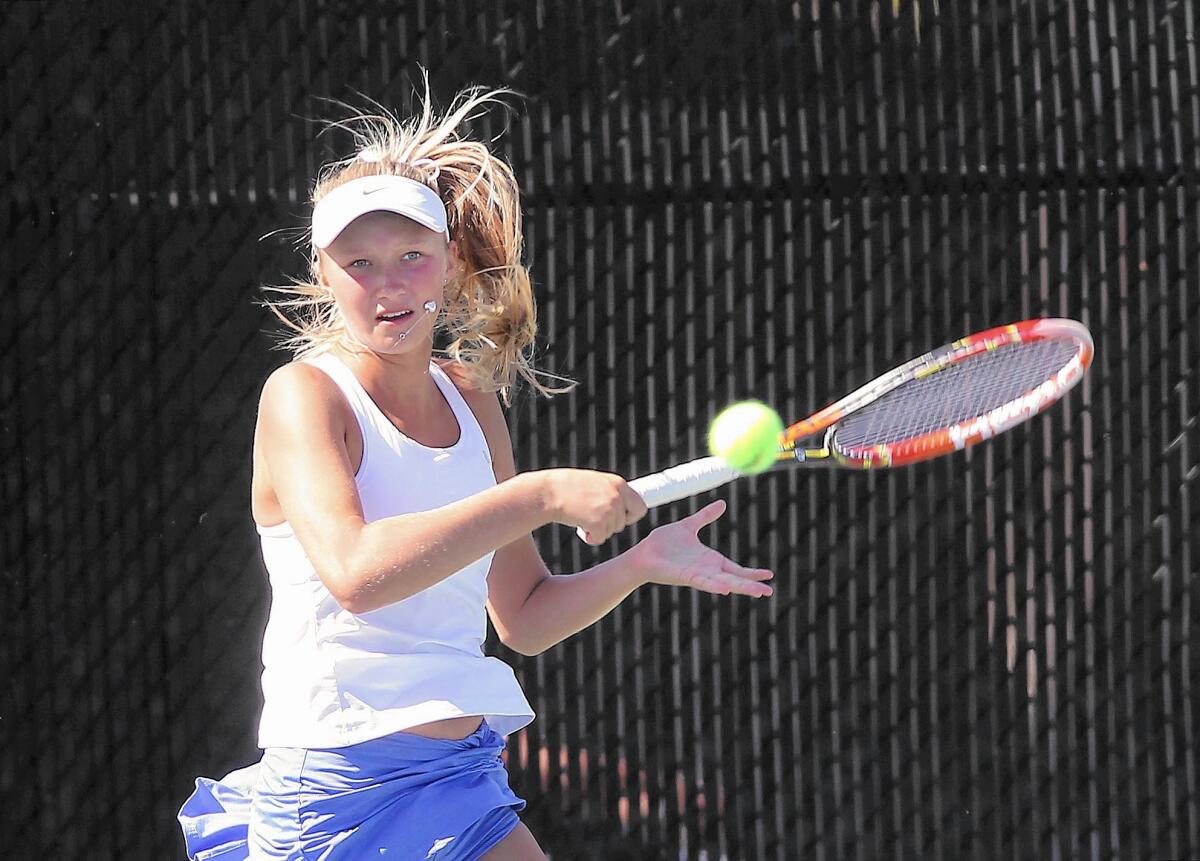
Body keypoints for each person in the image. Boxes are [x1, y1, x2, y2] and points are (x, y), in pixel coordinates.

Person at [177, 82, 773, 861]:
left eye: (412, 257)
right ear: (323, 272)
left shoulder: (471, 396)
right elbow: (357, 572)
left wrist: (640, 564)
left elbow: (521, 613)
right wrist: (540, 494)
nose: (388, 284)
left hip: (459, 776)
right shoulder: (303, 397)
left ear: (449, 262)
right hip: (334, 785)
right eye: (359, 263)